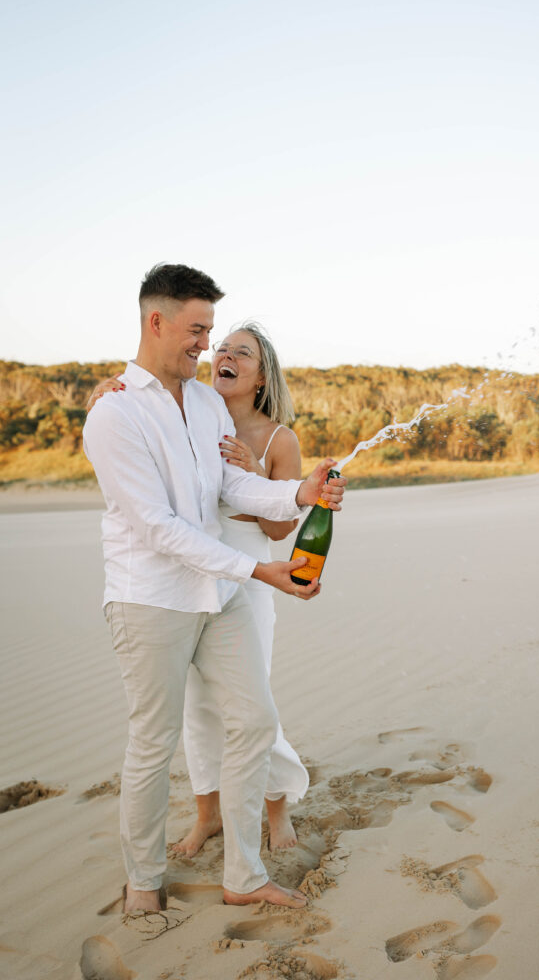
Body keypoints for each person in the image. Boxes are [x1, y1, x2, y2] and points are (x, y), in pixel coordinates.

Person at [83, 264, 346, 914]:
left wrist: (298, 491)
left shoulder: (203, 403)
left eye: (210, 330)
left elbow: (231, 489)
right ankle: (143, 885)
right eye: (197, 330)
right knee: (154, 740)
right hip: (150, 599)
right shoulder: (113, 415)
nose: (206, 344)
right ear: (157, 322)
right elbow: (158, 527)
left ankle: (243, 876)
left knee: (253, 719)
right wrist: (258, 571)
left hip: (218, 596)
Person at [90, 321, 309, 853]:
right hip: (187, 574)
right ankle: (206, 814)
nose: (224, 354)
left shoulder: (280, 437)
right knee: (198, 709)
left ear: (261, 377)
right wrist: (105, 392)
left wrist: (258, 472)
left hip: (252, 574)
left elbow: (280, 528)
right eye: (222, 347)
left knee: (252, 704)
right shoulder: (190, 411)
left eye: (243, 353)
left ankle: (277, 809)